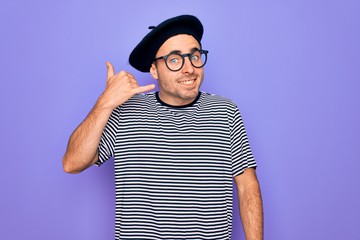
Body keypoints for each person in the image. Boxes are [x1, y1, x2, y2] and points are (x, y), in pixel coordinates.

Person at [63, 15, 263, 240]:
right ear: (154, 70)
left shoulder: (225, 112)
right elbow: (72, 163)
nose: (189, 68)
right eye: (175, 60)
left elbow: (247, 186)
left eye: (194, 56)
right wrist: (104, 103)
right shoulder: (125, 112)